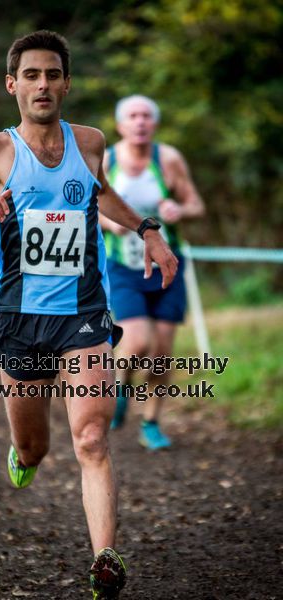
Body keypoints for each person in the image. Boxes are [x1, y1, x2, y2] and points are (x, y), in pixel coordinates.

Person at [0, 33, 178, 599]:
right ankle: (23, 454)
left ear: (67, 83)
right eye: (31, 75)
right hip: (19, 321)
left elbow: (101, 194)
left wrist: (149, 231)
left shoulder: (89, 142)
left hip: (84, 315)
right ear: (12, 85)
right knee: (36, 446)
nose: (43, 85)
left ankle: (105, 563)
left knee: (91, 439)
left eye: (53, 74)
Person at [100, 95, 205, 450]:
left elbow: (195, 204)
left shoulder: (168, 159)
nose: (140, 121)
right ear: (120, 125)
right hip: (124, 267)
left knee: (160, 352)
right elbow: (88, 207)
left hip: (167, 266)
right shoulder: (107, 159)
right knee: (137, 343)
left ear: (154, 124)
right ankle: (122, 389)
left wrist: (179, 209)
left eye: (147, 116)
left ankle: (151, 423)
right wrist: (108, 224)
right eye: (133, 116)